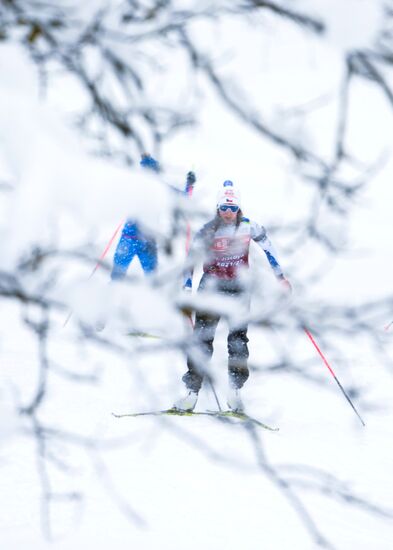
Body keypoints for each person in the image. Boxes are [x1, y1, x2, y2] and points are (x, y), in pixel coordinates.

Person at [173, 181, 291, 412]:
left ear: (239, 209)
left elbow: (268, 248)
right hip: (210, 289)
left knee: (237, 340)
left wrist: (280, 277)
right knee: (201, 340)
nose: (228, 212)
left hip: (239, 289)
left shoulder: (249, 227)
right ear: (217, 208)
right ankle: (192, 393)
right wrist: (187, 285)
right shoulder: (208, 230)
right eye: (224, 208)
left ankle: (235, 391)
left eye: (233, 208)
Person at [111, 154, 196, 280]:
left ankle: (151, 297)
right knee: (117, 275)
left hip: (147, 241)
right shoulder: (133, 186)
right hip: (129, 238)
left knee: (152, 278)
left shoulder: (160, 188)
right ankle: (113, 294)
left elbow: (183, 199)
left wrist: (190, 185)